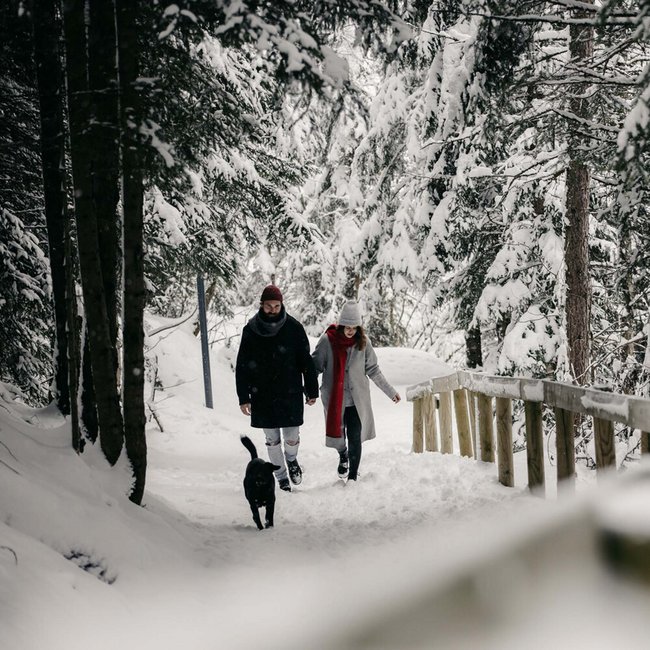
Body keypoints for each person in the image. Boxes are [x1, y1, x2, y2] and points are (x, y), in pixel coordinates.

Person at [236, 284, 319, 492]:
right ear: (261, 305)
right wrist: (243, 397)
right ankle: (281, 477)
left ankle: (291, 460)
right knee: (271, 441)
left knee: (291, 437)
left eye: (276, 305)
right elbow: (242, 365)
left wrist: (311, 390)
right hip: (262, 394)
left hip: (289, 392)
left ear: (282, 305)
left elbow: (305, 362)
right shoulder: (251, 330)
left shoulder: (294, 328)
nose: (272, 310)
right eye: (268, 306)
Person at [312, 301, 400, 482]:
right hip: (334, 399)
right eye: (347, 326)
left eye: (354, 327)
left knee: (355, 437)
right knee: (338, 436)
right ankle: (342, 454)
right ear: (341, 324)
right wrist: (309, 391)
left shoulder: (363, 343)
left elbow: (374, 370)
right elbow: (315, 368)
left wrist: (390, 392)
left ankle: (352, 477)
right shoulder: (328, 341)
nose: (350, 330)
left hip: (357, 401)